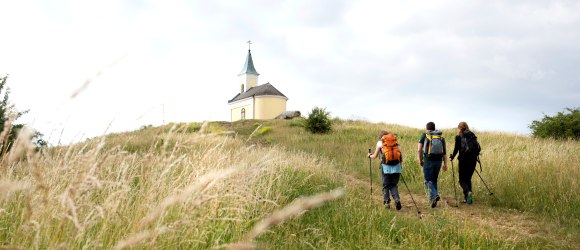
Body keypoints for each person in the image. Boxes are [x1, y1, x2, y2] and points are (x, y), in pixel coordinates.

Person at [368, 130, 403, 210]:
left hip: (386, 167)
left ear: (381, 137)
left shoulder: (380, 143)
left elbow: (375, 156)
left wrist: (369, 155)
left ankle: (387, 203)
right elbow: (400, 154)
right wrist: (400, 165)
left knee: (386, 186)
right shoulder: (395, 142)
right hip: (397, 167)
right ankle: (397, 199)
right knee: (393, 185)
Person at [417, 122, 448, 208]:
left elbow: (419, 150)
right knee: (434, 180)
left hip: (428, 160)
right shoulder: (440, 137)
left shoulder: (425, 135)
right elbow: (444, 152)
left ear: (427, 128)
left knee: (427, 180)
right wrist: (445, 164)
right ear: (434, 128)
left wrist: (420, 160)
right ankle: (432, 201)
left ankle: (434, 195)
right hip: (438, 161)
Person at [450, 122, 478, 204]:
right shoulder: (473, 136)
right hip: (473, 160)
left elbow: (456, 149)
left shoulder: (459, 137)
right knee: (468, 179)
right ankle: (469, 199)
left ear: (460, 128)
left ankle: (467, 192)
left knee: (462, 180)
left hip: (463, 160)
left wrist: (452, 157)